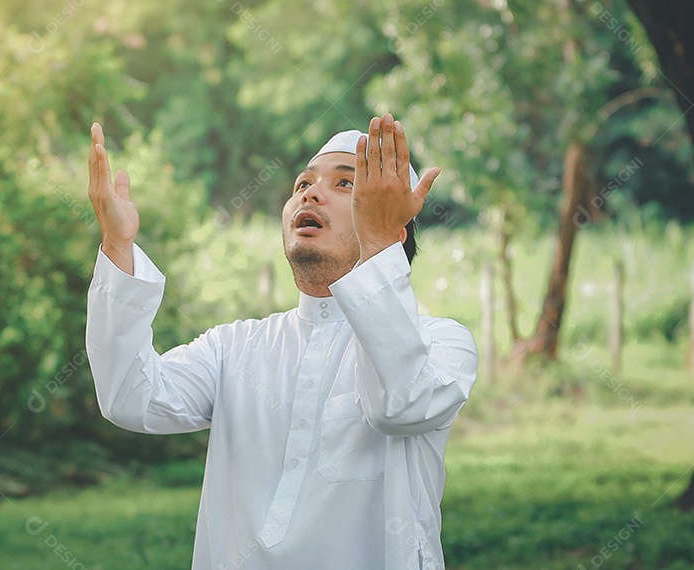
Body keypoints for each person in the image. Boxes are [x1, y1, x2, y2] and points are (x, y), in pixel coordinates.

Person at [85, 113, 478, 569]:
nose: (310, 193)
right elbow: (129, 398)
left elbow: (399, 406)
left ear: (395, 227)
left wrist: (378, 245)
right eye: (303, 184)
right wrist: (118, 245)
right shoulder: (234, 348)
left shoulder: (441, 344)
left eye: (345, 184)